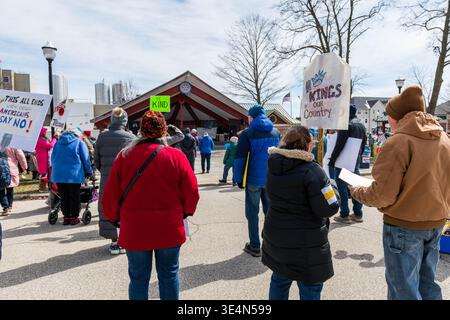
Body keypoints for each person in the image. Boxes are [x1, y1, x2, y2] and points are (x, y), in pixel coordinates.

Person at [349, 85, 450, 300]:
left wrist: (356, 191)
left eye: (389, 116)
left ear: (398, 117)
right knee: (428, 284)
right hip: (435, 222)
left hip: (404, 226)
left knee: (403, 290)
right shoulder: (444, 140)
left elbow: (383, 195)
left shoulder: (398, 142)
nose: (388, 120)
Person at [102, 110, 199, 300]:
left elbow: (110, 195)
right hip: (169, 227)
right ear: (164, 131)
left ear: (142, 131)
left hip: (134, 228)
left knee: (138, 279)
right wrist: (185, 213)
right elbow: (192, 191)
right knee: (169, 275)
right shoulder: (176, 156)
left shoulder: (125, 156)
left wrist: (115, 219)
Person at [262, 126, 340, 300]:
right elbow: (329, 207)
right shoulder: (313, 171)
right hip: (305, 245)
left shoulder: (274, 165)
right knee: (310, 288)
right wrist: (332, 184)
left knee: (279, 280)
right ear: (308, 145)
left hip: (277, 238)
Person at [234, 104, 280, 257]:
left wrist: (238, 179)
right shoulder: (276, 132)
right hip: (271, 178)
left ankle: (255, 246)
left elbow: (240, 158)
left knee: (252, 213)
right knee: (270, 211)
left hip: (253, 179)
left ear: (251, 117)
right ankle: (270, 243)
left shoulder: (247, 133)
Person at [94, 107, 136, 255]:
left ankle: (113, 242)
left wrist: (104, 171)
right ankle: (123, 239)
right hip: (125, 180)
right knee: (123, 207)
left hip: (107, 177)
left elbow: (97, 160)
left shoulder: (102, 137)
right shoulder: (131, 138)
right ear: (125, 121)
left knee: (108, 207)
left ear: (112, 120)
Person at [328, 104, 367, 224]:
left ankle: (344, 214)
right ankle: (358, 213)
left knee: (342, 188)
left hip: (343, 160)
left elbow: (339, 144)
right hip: (355, 160)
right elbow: (364, 142)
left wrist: (333, 159)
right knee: (355, 186)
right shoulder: (361, 125)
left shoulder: (346, 125)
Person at [51, 129, 92, 225]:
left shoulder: (57, 143)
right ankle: (73, 217)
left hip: (59, 174)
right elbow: (85, 159)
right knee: (74, 196)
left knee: (64, 196)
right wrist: (89, 172)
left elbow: (52, 158)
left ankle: (66, 217)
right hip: (74, 174)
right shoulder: (79, 142)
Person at [0, 148, 27, 216]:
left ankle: (5, 207)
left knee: (1, 189)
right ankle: (9, 206)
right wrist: (24, 167)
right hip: (11, 168)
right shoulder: (14, 143)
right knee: (10, 188)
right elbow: (21, 156)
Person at [35, 128, 56, 192]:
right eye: (45, 132)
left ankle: (45, 187)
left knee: (46, 173)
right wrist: (54, 139)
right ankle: (42, 188)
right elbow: (49, 145)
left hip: (44, 158)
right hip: (42, 158)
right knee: (44, 173)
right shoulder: (40, 140)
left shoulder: (41, 139)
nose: (46, 133)